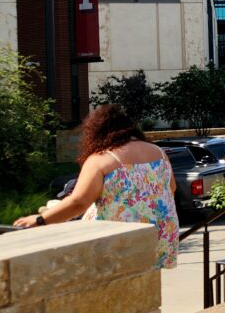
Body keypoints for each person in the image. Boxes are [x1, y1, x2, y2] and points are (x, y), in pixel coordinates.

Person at [14, 105, 180, 269]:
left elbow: (78, 203)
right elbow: (171, 189)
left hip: (118, 244)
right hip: (159, 239)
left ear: (97, 132)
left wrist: (40, 220)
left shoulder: (101, 159)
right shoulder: (159, 152)